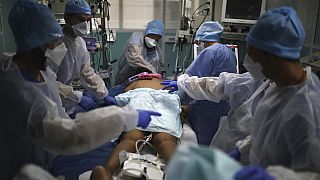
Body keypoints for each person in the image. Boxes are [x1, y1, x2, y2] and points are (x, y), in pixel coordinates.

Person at [0, 1, 161, 179]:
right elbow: (69, 135)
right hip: (23, 165)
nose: (57, 46)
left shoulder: (37, 70)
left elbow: (85, 73)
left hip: (47, 147)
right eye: (52, 42)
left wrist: (104, 94)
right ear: (33, 44)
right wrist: (126, 117)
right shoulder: (21, 93)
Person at [162, 6, 320, 178]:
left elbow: (311, 172)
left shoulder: (309, 108)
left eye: (253, 56)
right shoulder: (272, 82)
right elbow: (223, 85)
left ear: (274, 55)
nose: (249, 62)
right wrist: (241, 149)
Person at [90, 77, 182, 180]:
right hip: (165, 99)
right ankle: (184, 175)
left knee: (131, 138)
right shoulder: (163, 81)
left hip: (140, 97)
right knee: (165, 140)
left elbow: (119, 101)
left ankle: (107, 172)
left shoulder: (134, 83)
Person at [49, 0, 108, 114]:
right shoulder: (55, 44)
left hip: (67, 105)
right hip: (50, 103)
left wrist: (103, 94)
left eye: (88, 20)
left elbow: (86, 72)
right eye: (81, 20)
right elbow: (47, 81)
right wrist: (76, 97)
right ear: (67, 18)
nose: (85, 24)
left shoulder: (80, 43)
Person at [184, 21, 237, 145]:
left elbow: (192, 81)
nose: (199, 45)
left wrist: (177, 97)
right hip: (223, 106)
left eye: (198, 42)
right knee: (217, 142)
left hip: (206, 108)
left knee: (204, 146)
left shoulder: (209, 52)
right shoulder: (229, 52)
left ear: (204, 39)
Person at [115, 19, 165, 85]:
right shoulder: (136, 38)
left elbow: (158, 71)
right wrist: (150, 68)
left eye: (157, 37)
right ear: (146, 32)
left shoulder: (157, 53)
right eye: (152, 35)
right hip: (125, 78)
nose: (154, 39)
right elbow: (134, 57)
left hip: (143, 84)